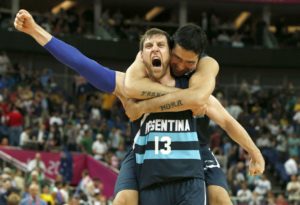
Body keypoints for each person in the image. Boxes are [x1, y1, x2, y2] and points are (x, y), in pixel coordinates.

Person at [14, 9, 264, 205]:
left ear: (169, 52)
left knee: (221, 198)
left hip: (193, 154)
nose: (155, 49)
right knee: (122, 200)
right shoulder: (130, 83)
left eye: (161, 45)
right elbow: (82, 63)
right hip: (147, 157)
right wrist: (36, 31)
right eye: (148, 46)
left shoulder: (195, 87)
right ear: (142, 56)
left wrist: (254, 150)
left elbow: (227, 121)